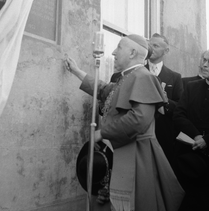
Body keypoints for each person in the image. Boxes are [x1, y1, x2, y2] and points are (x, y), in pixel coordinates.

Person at [65, 34, 184, 211]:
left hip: (136, 154)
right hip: (123, 150)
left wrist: (102, 133)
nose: (113, 52)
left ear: (132, 53)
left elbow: (139, 120)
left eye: (119, 47)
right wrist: (76, 71)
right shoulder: (127, 77)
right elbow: (104, 89)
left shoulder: (143, 77)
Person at [173, 48, 209, 211]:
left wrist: (207, 140)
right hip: (188, 158)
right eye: (203, 59)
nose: (204, 64)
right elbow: (179, 115)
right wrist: (197, 136)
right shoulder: (191, 87)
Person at [146, 33, 183, 168]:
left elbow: (180, 109)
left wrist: (165, 101)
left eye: (155, 45)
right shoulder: (137, 71)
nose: (151, 48)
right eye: (149, 44)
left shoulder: (175, 77)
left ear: (166, 51)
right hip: (140, 133)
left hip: (164, 137)